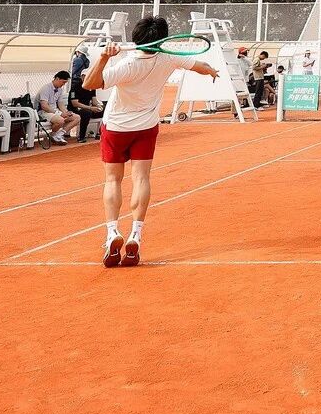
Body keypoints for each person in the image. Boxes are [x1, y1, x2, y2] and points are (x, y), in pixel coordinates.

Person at [85, 14, 219, 267]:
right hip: (146, 128)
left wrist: (103, 57)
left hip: (116, 128)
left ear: (136, 37)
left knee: (113, 179)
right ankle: (136, 234)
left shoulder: (127, 65)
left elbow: (89, 83)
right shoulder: (168, 58)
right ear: (161, 40)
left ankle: (112, 232)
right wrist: (212, 71)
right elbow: (200, 66)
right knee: (141, 179)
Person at [37, 70, 80, 145]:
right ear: (57, 79)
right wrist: (59, 113)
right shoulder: (45, 88)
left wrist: (66, 112)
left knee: (77, 117)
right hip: (43, 112)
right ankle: (53, 135)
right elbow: (44, 106)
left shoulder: (60, 89)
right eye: (63, 82)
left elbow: (60, 104)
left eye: (65, 83)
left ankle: (58, 135)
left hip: (54, 111)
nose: (63, 84)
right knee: (60, 120)